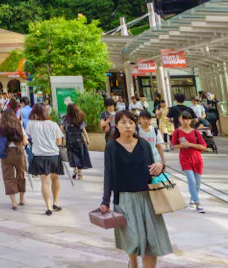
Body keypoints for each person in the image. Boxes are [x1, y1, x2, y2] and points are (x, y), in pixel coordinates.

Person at [100, 111, 172, 267]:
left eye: (131, 122)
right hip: (124, 199)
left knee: (151, 242)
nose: (128, 126)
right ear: (116, 125)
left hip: (147, 198)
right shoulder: (111, 147)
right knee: (132, 239)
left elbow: (154, 170)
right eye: (123, 122)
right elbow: (109, 175)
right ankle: (132, 263)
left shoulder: (144, 145)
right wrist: (105, 201)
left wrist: (160, 166)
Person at [26, 103, 64, 216]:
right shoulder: (53, 124)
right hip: (53, 155)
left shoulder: (31, 124)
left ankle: (48, 206)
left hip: (39, 156)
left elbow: (29, 136)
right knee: (55, 179)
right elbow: (59, 142)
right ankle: (56, 202)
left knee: (45, 182)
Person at [172, 110, 208, 213]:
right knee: (191, 180)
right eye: (184, 119)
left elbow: (204, 147)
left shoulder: (196, 132)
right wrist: (181, 145)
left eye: (188, 119)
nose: (186, 121)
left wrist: (191, 144)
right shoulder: (177, 132)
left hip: (197, 159)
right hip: (184, 158)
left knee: (197, 183)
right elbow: (174, 145)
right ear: (180, 119)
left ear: (191, 120)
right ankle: (198, 203)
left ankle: (193, 197)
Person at [0, 107, 28, 210]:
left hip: (6, 153)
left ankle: (14, 202)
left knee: (8, 177)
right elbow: (25, 141)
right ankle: (21, 199)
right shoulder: (18, 124)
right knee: (21, 175)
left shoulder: (0, 125)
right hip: (19, 152)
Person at [61, 103, 92, 180]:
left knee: (72, 156)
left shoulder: (65, 119)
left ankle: (74, 168)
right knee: (80, 155)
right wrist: (87, 139)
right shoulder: (79, 118)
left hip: (70, 140)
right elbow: (83, 130)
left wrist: (61, 139)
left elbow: (61, 129)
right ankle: (80, 174)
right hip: (79, 140)